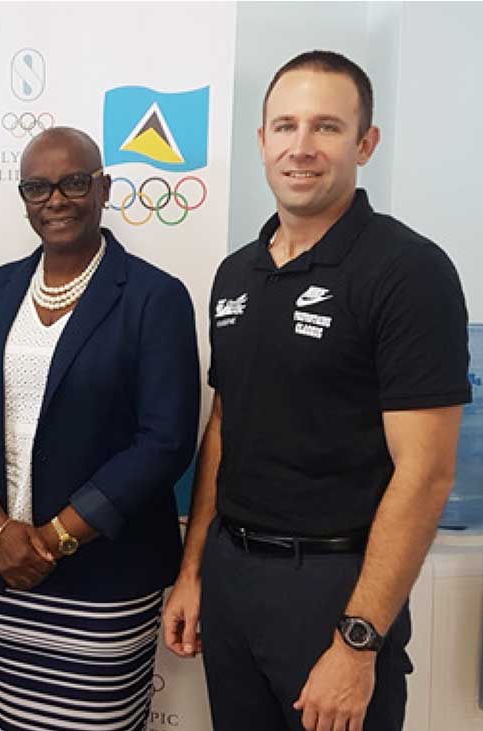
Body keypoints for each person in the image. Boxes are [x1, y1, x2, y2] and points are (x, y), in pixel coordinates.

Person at [163, 50, 470, 731]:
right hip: (232, 577)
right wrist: (194, 571)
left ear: (365, 143)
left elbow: (426, 473)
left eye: (326, 127)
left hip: (336, 588)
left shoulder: (408, 271)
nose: (300, 147)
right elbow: (226, 425)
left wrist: (357, 642)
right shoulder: (236, 273)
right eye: (285, 126)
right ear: (262, 140)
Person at [0, 126, 200, 731]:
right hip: (6, 574)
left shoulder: (154, 297)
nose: (55, 200)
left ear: (103, 188)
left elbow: (165, 440)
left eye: (73, 183)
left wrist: (53, 539)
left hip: (107, 579)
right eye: (38, 188)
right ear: (24, 198)